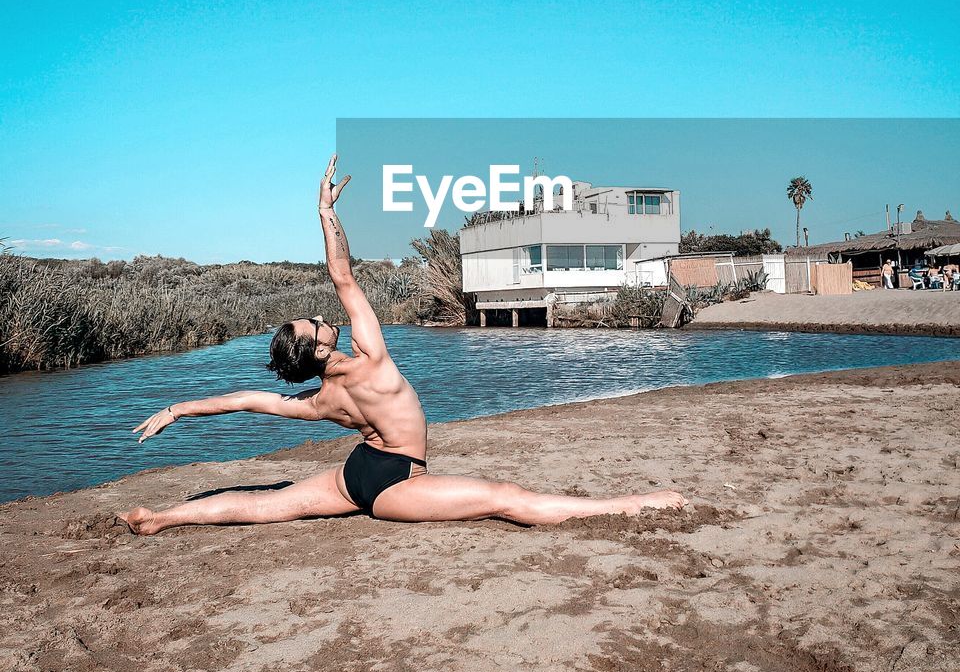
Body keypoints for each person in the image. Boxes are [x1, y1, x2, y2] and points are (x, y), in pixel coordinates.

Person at [119, 156, 687, 536]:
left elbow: (245, 400)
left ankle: (163, 518)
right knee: (504, 497)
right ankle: (630, 505)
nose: (322, 316)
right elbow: (342, 276)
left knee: (269, 504)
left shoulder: (319, 401)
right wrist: (325, 213)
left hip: (355, 472)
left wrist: (176, 409)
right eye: (315, 323)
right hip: (393, 482)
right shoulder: (371, 358)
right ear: (319, 350)